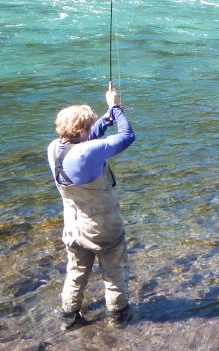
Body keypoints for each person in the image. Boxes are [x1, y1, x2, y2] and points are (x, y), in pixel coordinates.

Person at [47, 83, 136, 329]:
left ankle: (68, 318)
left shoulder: (54, 148)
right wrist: (115, 108)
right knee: (114, 277)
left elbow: (88, 140)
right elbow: (127, 136)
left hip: (73, 228)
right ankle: (117, 321)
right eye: (88, 126)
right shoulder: (88, 152)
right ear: (81, 129)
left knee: (76, 274)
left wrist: (106, 119)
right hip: (102, 229)